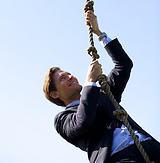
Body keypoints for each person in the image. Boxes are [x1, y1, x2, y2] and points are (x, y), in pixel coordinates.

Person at [43, 10, 160, 163]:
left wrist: (99, 33)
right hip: (119, 157)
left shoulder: (103, 96)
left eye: (69, 73)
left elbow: (124, 65)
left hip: (149, 146)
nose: (70, 77)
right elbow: (83, 121)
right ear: (55, 94)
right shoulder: (62, 120)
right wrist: (90, 83)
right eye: (63, 78)